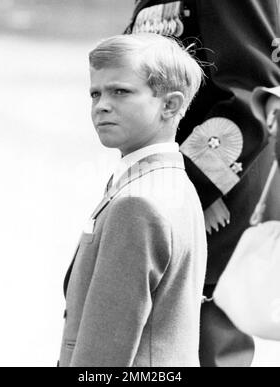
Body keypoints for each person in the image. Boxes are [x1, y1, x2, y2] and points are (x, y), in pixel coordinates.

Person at [125, 0, 280, 367]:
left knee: (201, 351)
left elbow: (248, 99)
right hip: (154, 192)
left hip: (210, 205)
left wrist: (178, 192)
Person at [57, 33, 207, 367]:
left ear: (170, 104)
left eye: (120, 91)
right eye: (95, 93)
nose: (102, 105)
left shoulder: (138, 203)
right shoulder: (173, 183)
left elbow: (103, 360)